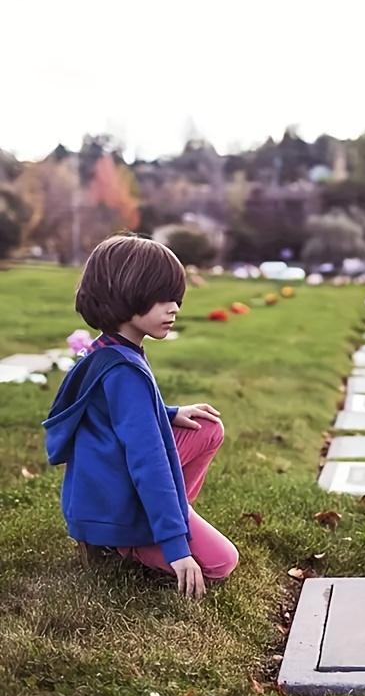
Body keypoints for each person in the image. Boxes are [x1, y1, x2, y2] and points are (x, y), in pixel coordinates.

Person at [43, 234, 238, 599]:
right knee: (222, 562)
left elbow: (110, 412)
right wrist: (176, 549)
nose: (174, 308)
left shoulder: (107, 351)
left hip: (100, 492)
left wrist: (171, 413)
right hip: (112, 509)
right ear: (125, 294)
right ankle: (131, 543)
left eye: (176, 298)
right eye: (163, 298)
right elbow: (149, 463)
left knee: (206, 427)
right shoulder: (124, 372)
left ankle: (167, 517)